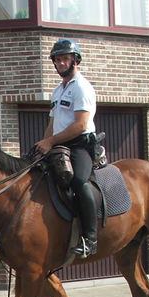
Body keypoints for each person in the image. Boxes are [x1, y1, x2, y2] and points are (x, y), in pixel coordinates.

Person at [35, 39, 97, 258]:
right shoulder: (57, 91)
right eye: (57, 59)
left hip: (81, 144)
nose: (61, 63)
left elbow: (80, 125)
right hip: (59, 145)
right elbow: (52, 125)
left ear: (75, 60)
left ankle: (90, 238)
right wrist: (43, 145)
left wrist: (51, 142)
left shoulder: (81, 87)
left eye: (65, 59)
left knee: (79, 181)